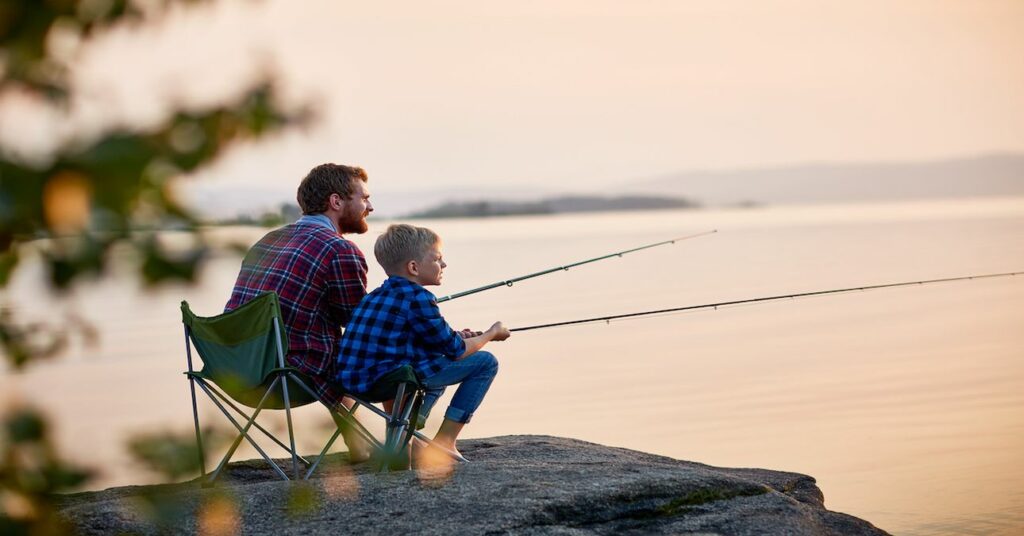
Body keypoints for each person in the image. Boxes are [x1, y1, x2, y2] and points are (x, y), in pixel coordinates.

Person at [225, 163, 374, 460]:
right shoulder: (339, 250)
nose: (370, 206)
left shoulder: (267, 240)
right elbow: (358, 325)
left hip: (235, 369)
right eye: (364, 198)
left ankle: (358, 444)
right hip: (285, 376)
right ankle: (405, 445)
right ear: (336, 201)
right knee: (381, 344)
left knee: (322, 344)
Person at [336, 223, 510, 461]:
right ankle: (444, 441)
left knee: (435, 359)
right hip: (390, 382)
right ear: (414, 267)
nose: (444, 264)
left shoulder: (375, 295)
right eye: (438, 259)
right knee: (485, 362)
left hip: (353, 383)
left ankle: (408, 435)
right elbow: (457, 351)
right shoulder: (419, 297)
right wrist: (491, 333)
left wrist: (457, 335)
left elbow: (414, 336)